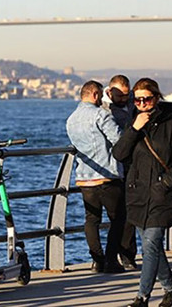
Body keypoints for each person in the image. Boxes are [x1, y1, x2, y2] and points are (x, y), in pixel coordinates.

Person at [113, 78, 172, 307]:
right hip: (137, 195)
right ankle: (171, 290)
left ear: (156, 98)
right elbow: (119, 154)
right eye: (137, 100)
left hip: (162, 195)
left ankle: (142, 297)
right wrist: (134, 129)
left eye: (146, 99)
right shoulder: (133, 124)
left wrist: (165, 181)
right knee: (153, 246)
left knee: (150, 244)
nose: (142, 104)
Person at [66, 80, 126, 274]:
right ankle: (111, 260)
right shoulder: (101, 114)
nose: (101, 99)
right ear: (93, 94)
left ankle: (97, 260)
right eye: (100, 96)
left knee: (91, 219)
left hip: (84, 176)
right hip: (107, 175)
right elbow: (118, 140)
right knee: (118, 218)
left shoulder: (71, 119)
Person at [104, 74, 139, 270]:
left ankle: (128, 255)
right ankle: (111, 256)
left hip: (133, 164)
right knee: (119, 215)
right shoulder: (104, 110)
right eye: (120, 96)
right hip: (116, 165)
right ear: (110, 92)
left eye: (127, 95)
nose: (125, 99)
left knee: (130, 213)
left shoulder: (135, 101)